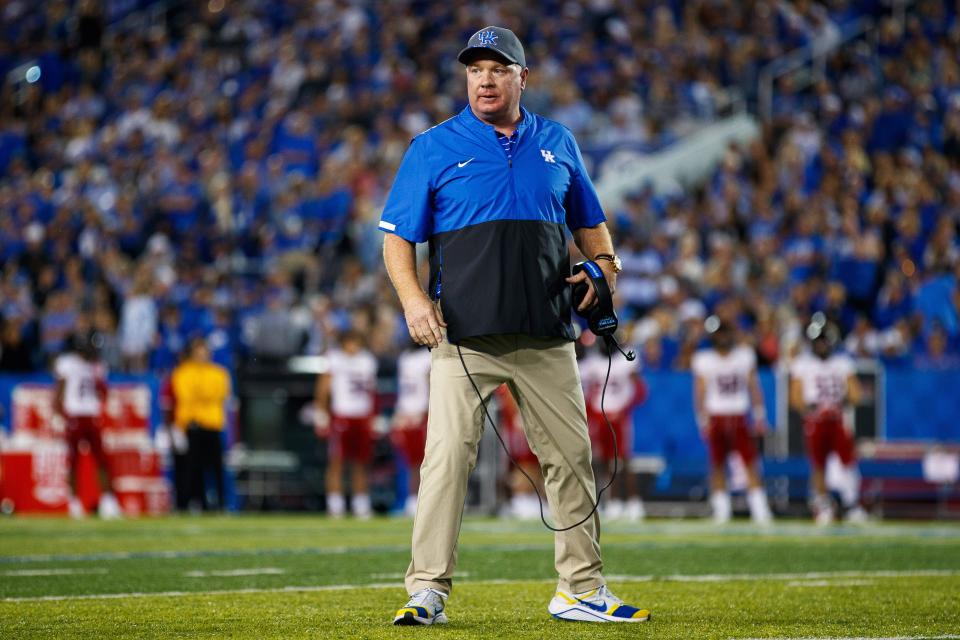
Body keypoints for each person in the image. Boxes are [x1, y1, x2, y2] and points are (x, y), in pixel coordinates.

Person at [381, 26, 650, 625]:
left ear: (521, 78)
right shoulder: (431, 146)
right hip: (464, 337)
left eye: (498, 68)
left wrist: (606, 267)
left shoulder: (558, 141)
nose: (484, 79)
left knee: (571, 459)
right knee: (446, 461)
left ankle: (579, 589)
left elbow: (592, 226)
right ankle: (427, 590)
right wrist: (413, 299)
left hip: (548, 334)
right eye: (475, 69)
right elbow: (398, 240)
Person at [691, 317, 773, 525]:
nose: (723, 337)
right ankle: (721, 509)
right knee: (716, 465)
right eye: (719, 333)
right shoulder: (704, 359)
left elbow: (754, 387)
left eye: (725, 332)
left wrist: (760, 415)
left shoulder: (744, 356)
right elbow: (699, 392)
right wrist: (702, 420)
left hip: (738, 415)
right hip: (717, 416)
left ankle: (760, 509)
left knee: (750, 463)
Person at [789, 315, 868, 525]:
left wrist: (840, 402)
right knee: (818, 464)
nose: (822, 345)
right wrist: (811, 408)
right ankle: (823, 503)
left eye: (824, 340)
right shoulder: (803, 364)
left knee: (848, 461)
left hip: (838, 418)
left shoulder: (842, 362)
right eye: (818, 341)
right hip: (815, 421)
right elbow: (795, 397)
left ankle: (851, 503)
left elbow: (856, 394)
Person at [54, 331, 121, 519]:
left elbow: (103, 391)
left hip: (91, 414)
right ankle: (74, 503)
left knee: (102, 459)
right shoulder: (67, 362)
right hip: (74, 414)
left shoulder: (97, 366)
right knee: (73, 460)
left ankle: (108, 501)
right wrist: (58, 414)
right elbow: (59, 390)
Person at [579, 336, 647, 521]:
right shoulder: (593, 363)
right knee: (602, 460)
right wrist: (592, 414)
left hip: (619, 416)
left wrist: (623, 409)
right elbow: (590, 393)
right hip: (600, 416)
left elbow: (640, 390)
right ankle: (612, 501)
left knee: (623, 460)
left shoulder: (625, 360)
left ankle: (633, 501)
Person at [314, 330, 378, 519]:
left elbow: (372, 391)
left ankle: (361, 503)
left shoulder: (367, 360)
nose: (354, 346)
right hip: (341, 416)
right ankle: (335, 504)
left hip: (362, 416)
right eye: (351, 342)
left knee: (361, 462)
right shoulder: (335, 358)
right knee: (337, 462)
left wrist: (373, 416)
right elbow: (323, 388)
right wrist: (321, 413)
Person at [171, 336, 231, 512]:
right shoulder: (183, 372)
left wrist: (201, 396)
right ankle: (187, 503)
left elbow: (219, 393)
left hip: (213, 424)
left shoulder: (219, 373)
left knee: (217, 468)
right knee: (190, 468)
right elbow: (185, 396)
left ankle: (220, 504)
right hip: (192, 425)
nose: (202, 355)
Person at [391, 341, 431, 517]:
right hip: (413, 412)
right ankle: (413, 499)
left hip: (420, 412)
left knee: (424, 460)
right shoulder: (409, 358)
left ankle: (423, 499)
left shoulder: (419, 357)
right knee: (414, 461)